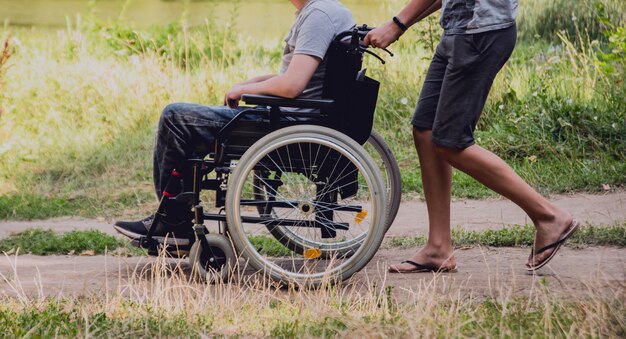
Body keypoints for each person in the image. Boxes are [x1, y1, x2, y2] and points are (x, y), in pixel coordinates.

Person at [114, 0, 356, 246]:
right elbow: (296, 76)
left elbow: (292, 85)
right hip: (296, 117)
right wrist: (253, 82)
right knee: (191, 122)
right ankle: (174, 217)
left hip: (287, 123)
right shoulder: (329, 10)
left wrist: (245, 90)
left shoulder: (318, 16)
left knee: (175, 117)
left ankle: (173, 223)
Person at [364, 0, 577, 272]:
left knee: (451, 142)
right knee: (426, 131)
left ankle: (549, 217)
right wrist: (400, 26)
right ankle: (438, 247)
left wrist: (397, 24)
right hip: (458, 30)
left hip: (481, 33)